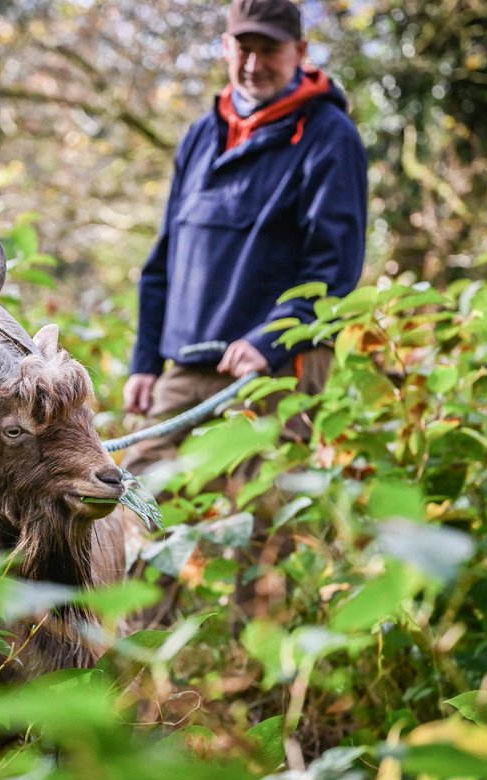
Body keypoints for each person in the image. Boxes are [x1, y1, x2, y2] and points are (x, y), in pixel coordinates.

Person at [122, 0, 368, 477]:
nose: (253, 65)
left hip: (275, 368)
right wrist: (145, 361)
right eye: (243, 48)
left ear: (299, 50)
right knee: (136, 500)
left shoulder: (329, 137)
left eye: (269, 50)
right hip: (188, 365)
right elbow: (164, 261)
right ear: (224, 47)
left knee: (256, 526)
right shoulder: (201, 135)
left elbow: (333, 271)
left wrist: (269, 340)